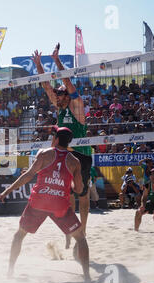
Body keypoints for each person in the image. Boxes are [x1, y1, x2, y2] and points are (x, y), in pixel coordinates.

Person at [0, 127, 90, 281]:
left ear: (57, 139)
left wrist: (5, 192)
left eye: (53, 135)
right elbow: (79, 190)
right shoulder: (75, 161)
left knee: (19, 235)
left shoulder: (44, 153)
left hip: (38, 202)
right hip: (60, 204)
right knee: (81, 238)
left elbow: (28, 175)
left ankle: (10, 271)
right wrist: (70, 183)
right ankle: (87, 277)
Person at [32, 44, 93, 250]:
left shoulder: (76, 106)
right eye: (57, 95)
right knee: (66, 196)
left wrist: (57, 61)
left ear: (68, 96)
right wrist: (39, 65)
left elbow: (66, 81)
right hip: (66, 156)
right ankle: (72, 230)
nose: (57, 96)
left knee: (82, 196)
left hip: (82, 155)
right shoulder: (59, 106)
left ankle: (82, 231)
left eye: (61, 94)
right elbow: (47, 86)